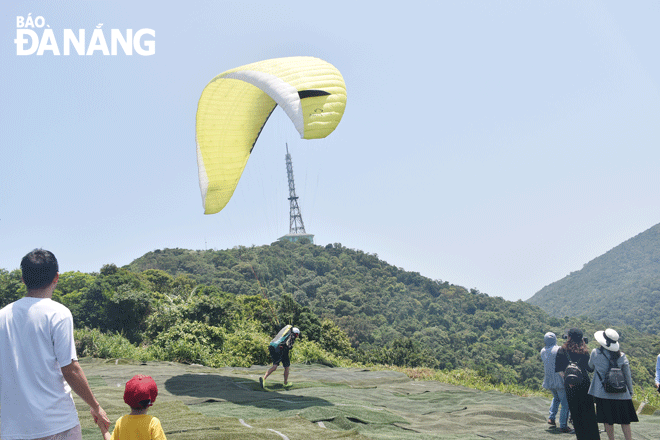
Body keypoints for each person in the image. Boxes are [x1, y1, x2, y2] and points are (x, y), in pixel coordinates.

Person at [0, 249, 110, 440]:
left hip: (13, 428)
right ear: (56, 278)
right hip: (56, 424)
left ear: (23, 279)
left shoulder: (3, 316)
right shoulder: (58, 313)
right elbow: (71, 369)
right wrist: (95, 406)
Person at [588, 328, 637, 440]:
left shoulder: (596, 353)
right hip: (621, 393)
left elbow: (590, 367)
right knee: (625, 421)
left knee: (608, 420)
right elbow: (627, 376)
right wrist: (630, 391)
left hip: (603, 393)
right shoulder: (622, 356)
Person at [555, 328, 600, 439]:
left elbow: (558, 369)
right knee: (588, 412)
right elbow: (590, 369)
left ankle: (581, 436)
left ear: (569, 337)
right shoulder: (584, 351)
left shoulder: (562, 350)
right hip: (584, 383)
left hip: (570, 386)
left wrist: (568, 379)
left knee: (576, 413)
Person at [100, 374, 167, 440]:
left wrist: (103, 428)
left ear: (127, 399)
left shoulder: (121, 422)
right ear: (151, 399)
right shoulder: (153, 423)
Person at [541, 332, 569, 430]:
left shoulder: (543, 351)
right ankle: (563, 425)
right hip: (559, 379)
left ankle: (551, 418)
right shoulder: (559, 349)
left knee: (556, 398)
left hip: (548, 380)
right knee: (565, 403)